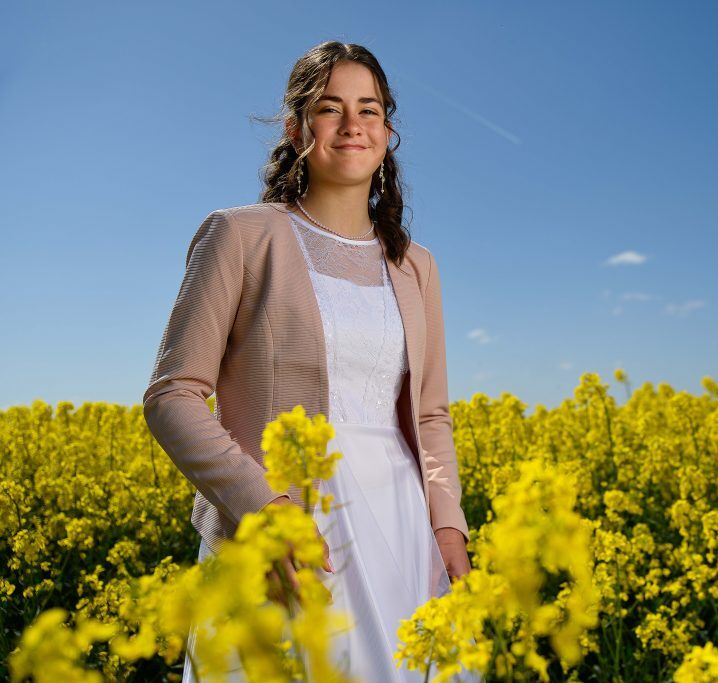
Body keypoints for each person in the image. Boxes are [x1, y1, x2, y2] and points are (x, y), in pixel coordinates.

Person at [142, 41, 478, 682]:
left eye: (370, 110)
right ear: (297, 128)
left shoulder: (417, 266)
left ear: (388, 132)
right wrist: (264, 511)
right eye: (331, 108)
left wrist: (449, 531)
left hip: (406, 532)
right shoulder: (240, 236)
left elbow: (430, 417)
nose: (353, 125)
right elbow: (172, 396)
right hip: (284, 528)